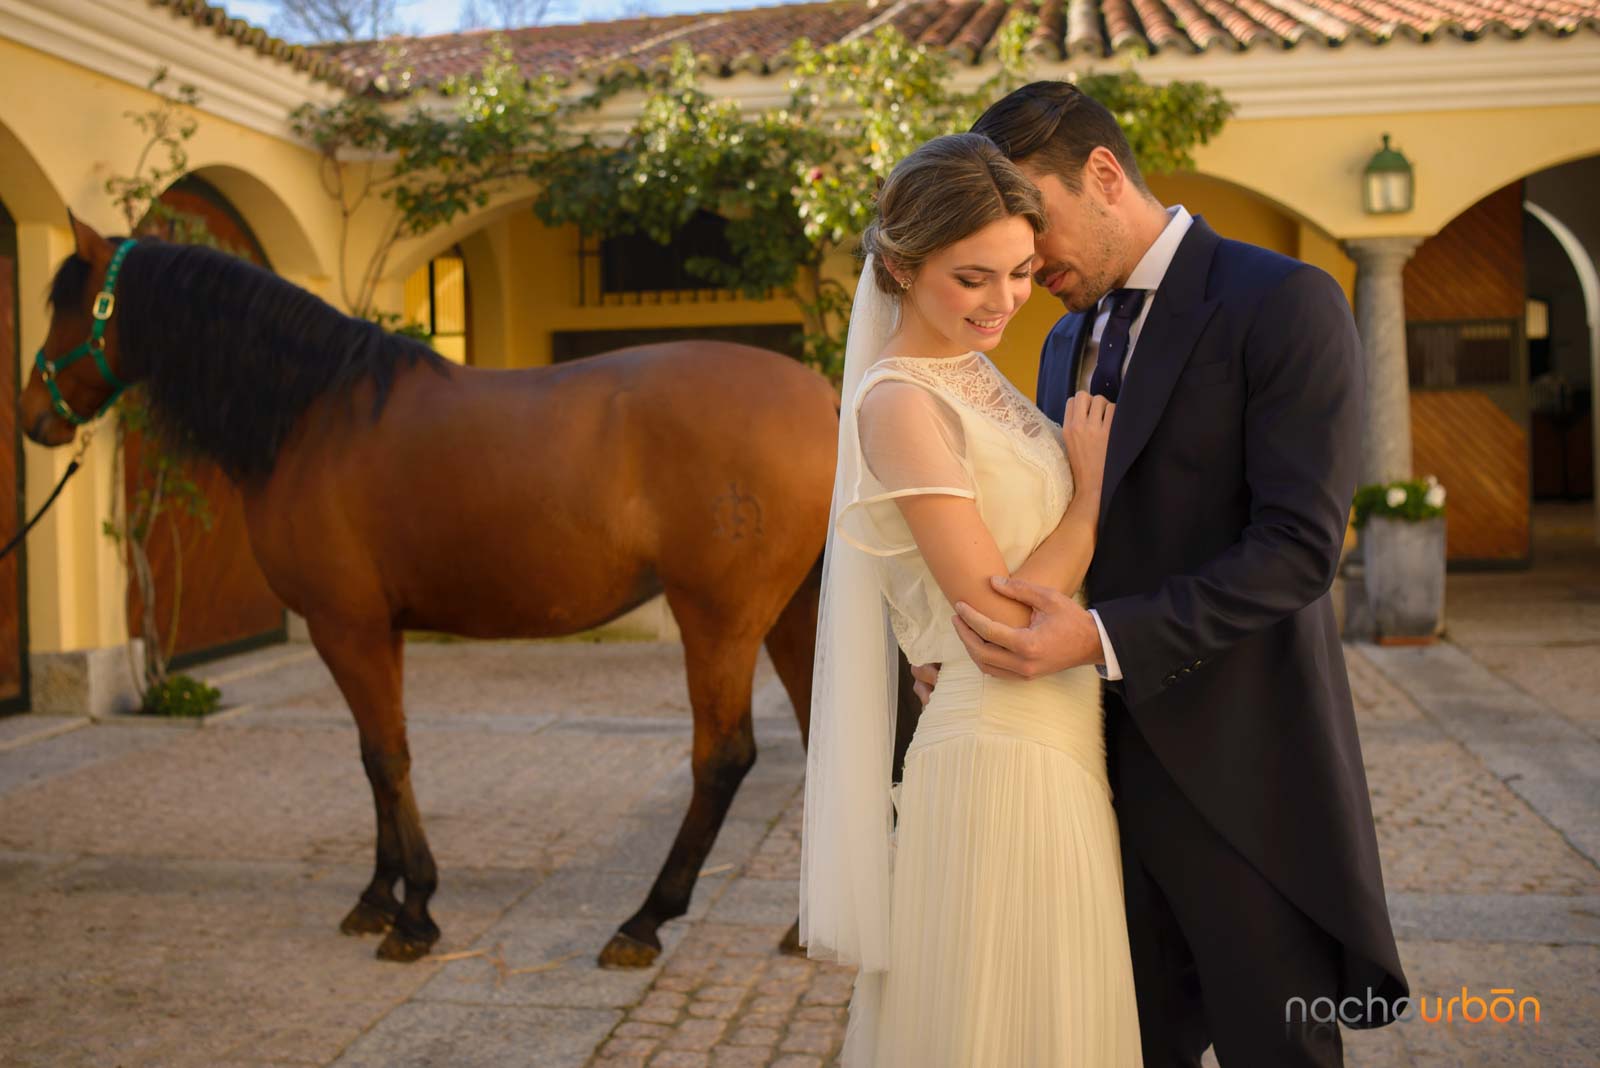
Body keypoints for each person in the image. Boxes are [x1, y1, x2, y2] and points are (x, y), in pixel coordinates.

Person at [901, 82, 1409, 1066]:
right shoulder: (1057, 340)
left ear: (1101, 175)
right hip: (1086, 785)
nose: (1024, 264)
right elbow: (1050, 536)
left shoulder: (1283, 301)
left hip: (1245, 777)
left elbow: (1300, 548)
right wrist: (967, 648)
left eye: (1033, 225)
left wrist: (1094, 639)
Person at [798, 131, 1144, 1066]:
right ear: (903, 267)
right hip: (997, 743)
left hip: (1052, 726)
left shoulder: (970, 366)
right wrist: (1093, 493)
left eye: (1022, 272)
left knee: (1060, 1015)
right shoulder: (900, 402)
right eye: (974, 278)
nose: (1005, 302)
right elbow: (997, 611)